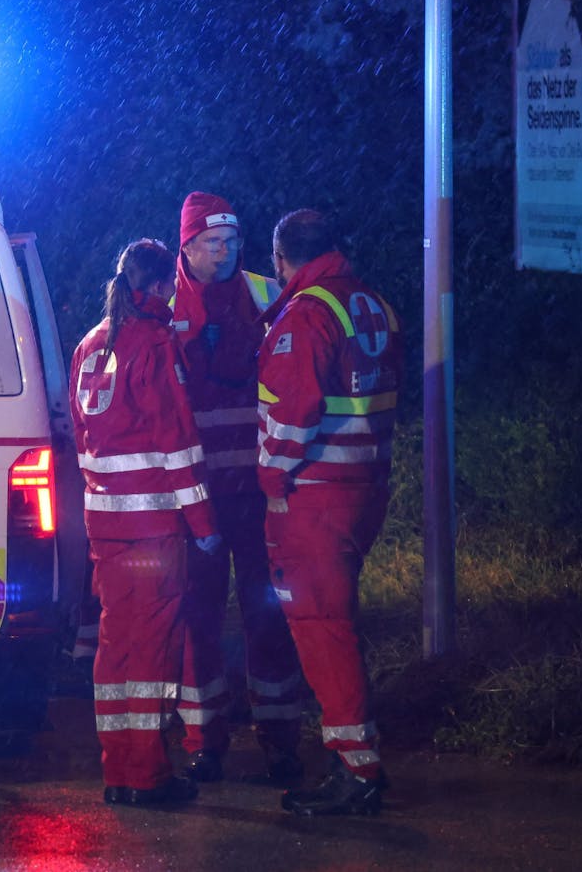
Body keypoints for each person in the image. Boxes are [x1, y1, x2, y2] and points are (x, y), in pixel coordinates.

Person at [257, 209, 402, 816]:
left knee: (322, 629)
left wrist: (271, 478)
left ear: (280, 257)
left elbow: (292, 413)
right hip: (364, 485)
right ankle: (354, 757)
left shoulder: (308, 313)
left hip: (315, 493)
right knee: (334, 623)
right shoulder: (372, 303)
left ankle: (356, 769)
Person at [70, 238, 221, 807]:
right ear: (160, 287)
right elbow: (177, 441)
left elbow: (85, 439)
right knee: (155, 648)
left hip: (104, 526)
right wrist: (203, 521)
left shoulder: (90, 345)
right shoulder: (156, 345)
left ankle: (119, 771)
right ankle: (149, 775)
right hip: (154, 527)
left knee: (116, 645)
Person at [170, 191, 304, 786]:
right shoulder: (162, 303)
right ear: (187, 245)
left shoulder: (264, 292)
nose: (225, 254)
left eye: (232, 243)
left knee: (267, 612)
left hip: (255, 488)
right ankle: (205, 738)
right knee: (197, 617)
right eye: (213, 243)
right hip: (194, 493)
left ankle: (279, 735)